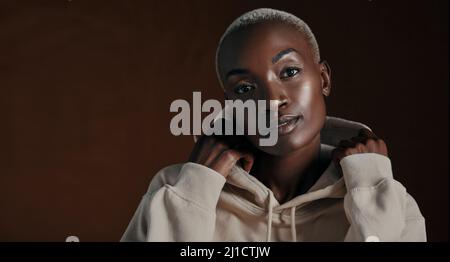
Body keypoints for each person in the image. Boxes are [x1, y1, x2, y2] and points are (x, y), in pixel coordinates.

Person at [121, 8, 426, 242]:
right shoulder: (174, 190)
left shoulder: (383, 194)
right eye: (244, 88)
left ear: (323, 79)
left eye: (289, 71)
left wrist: (371, 190)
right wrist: (195, 189)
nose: (272, 99)